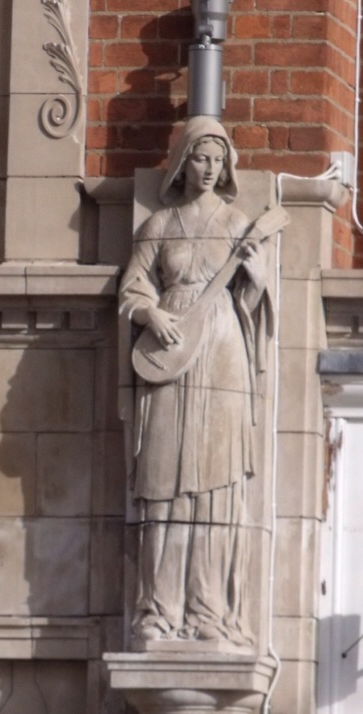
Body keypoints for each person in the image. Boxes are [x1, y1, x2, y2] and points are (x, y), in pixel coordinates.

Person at [120, 116, 270, 644]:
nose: (209, 169)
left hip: (223, 346)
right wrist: (150, 313)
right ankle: (157, 609)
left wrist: (256, 280)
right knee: (161, 478)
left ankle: (209, 610)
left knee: (216, 482)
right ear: (183, 163)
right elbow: (133, 288)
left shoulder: (237, 224)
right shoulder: (160, 225)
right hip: (170, 346)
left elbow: (255, 302)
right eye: (201, 158)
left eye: (218, 160)